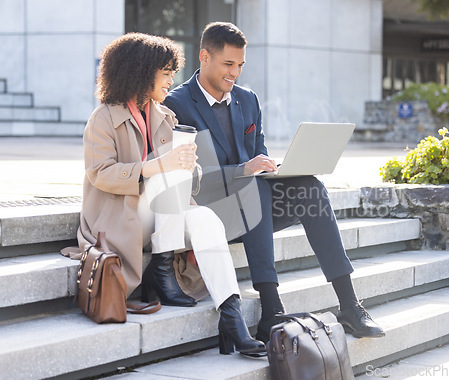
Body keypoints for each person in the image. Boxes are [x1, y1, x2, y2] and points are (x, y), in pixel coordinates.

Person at [164, 22, 385, 342]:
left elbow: (259, 159)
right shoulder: (178, 104)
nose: (235, 73)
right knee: (252, 186)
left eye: (240, 65)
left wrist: (279, 169)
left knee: (309, 187)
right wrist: (245, 170)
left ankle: (350, 305)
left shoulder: (247, 100)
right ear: (204, 57)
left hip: (255, 207)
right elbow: (193, 181)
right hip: (210, 213)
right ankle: (271, 309)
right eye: (228, 64)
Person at [76, 32, 265, 356]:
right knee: (164, 173)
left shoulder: (166, 117)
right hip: (119, 216)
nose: (171, 81)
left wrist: (192, 168)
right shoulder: (103, 118)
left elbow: (189, 181)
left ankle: (231, 317)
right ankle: (162, 273)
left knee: (206, 218)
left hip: (164, 218)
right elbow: (100, 174)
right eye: (165, 73)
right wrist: (156, 166)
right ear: (141, 72)